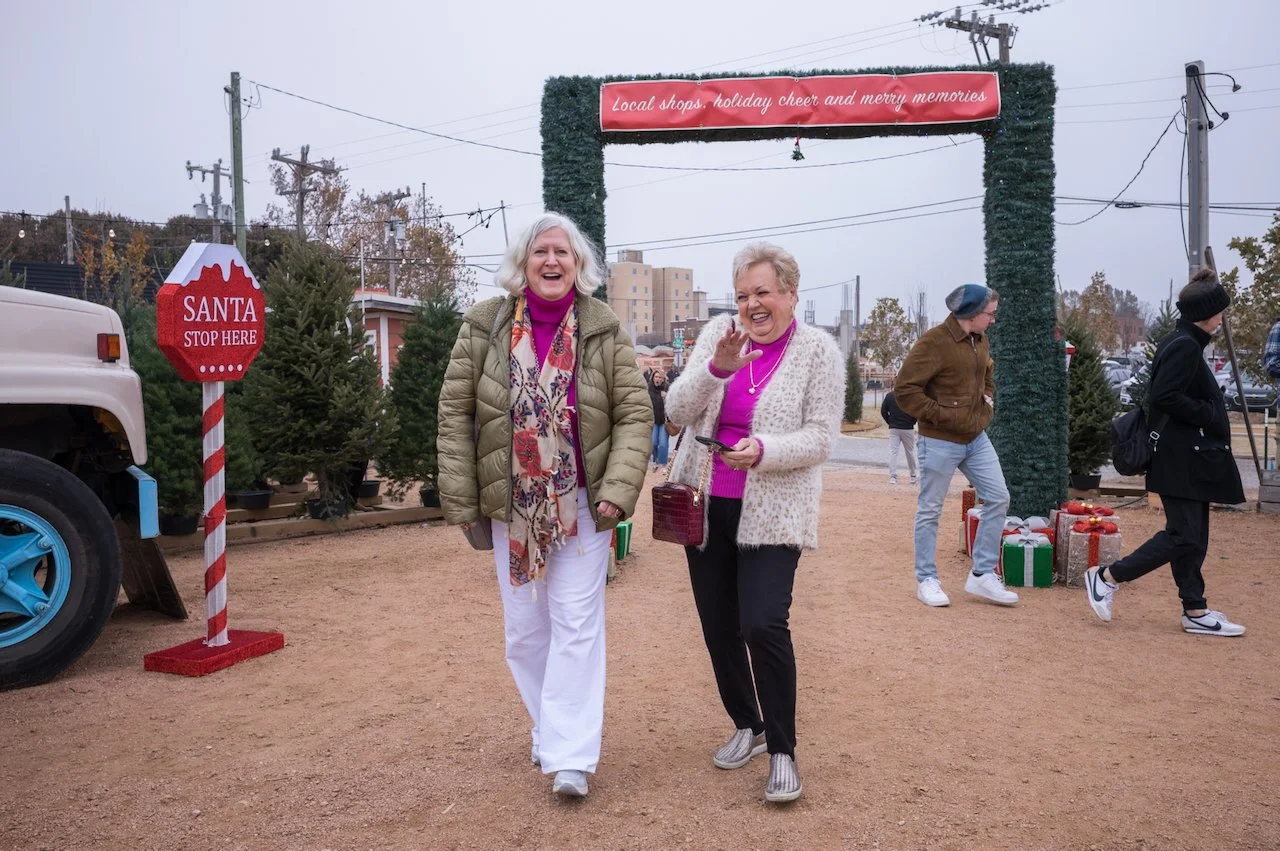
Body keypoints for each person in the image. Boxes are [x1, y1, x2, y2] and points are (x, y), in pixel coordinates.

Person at [437, 212, 651, 798]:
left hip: (582, 504)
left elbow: (635, 414)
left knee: (576, 624)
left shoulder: (605, 329)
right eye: (541, 253)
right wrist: (464, 504)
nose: (552, 261)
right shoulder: (484, 325)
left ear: (579, 266)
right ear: (523, 263)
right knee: (525, 632)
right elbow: (455, 412)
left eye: (563, 252)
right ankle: (548, 726)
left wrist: (617, 490)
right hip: (512, 504)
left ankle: (571, 756)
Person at [665, 242, 844, 804]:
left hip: (774, 510)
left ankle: (784, 750)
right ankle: (751, 724)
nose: (752, 305)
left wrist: (764, 449)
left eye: (763, 292)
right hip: (707, 505)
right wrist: (717, 368)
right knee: (719, 628)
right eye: (743, 295)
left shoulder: (819, 350)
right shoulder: (722, 334)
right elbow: (674, 411)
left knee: (762, 623)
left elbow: (820, 437)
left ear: (791, 294)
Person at [1085, 267, 1246, 636]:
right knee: (1184, 535)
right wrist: (1209, 413)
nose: (1222, 319)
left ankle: (1195, 609)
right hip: (1180, 457)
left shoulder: (1185, 342)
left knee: (1193, 535)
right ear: (1208, 314)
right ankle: (1107, 577)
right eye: (1220, 312)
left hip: (1188, 456)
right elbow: (1164, 397)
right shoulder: (1185, 346)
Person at [894, 284, 1017, 608]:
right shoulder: (934, 343)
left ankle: (982, 575)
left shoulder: (980, 339)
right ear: (972, 314)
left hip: (976, 438)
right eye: (990, 314)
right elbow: (904, 390)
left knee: (999, 497)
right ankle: (927, 580)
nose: (993, 320)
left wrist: (986, 404)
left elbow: (987, 373)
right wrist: (941, 416)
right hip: (939, 440)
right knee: (930, 510)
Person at [880, 390, 918, 485]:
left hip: (894, 428)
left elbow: (883, 411)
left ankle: (893, 476)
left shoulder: (889, 396)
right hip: (908, 428)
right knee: (910, 452)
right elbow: (916, 412)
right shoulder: (910, 396)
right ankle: (913, 476)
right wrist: (911, 422)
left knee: (893, 452)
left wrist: (890, 422)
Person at [648, 370, 670, 469]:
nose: (658, 379)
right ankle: (655, 460)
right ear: (653, 378)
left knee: (663, 444)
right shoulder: (648, 389)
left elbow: (674, 403)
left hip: (664, 421)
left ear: (663, 379)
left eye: (660, 377)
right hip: (652, 420)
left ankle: (662, 463)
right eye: (656, 377)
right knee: (653, 443)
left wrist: (667, 397)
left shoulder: (667, 388)